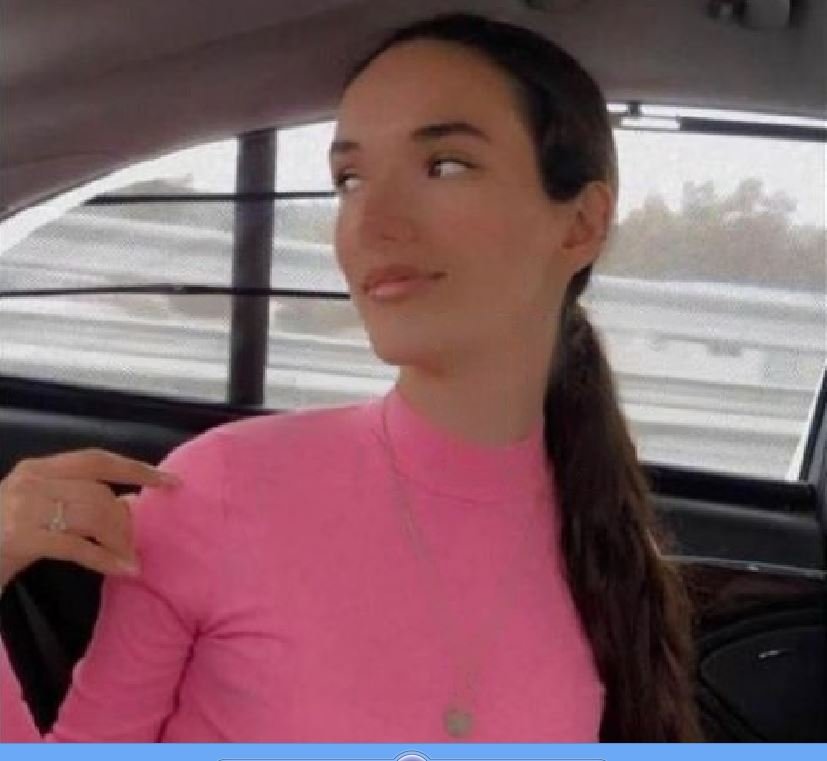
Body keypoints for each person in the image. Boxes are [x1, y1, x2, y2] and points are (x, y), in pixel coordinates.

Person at [0, 12, 703, 742]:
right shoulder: (222, 488)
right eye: (350, 179)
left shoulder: (609, 553)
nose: (371, 223)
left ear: (581, 223)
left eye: (445, 165)